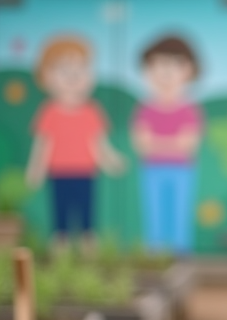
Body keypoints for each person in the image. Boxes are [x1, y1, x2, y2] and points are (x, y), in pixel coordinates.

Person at [26, 35, 125, 245]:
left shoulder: (92, 112)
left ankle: (89, 259)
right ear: (46, 76)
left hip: (86, 173)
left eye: (80, 69)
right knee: (60, 220)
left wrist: (111, 161)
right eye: (63, 70)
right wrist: (36, 169)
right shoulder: (49, 112)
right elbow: (44, 144)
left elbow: (98, 144)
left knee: (87, 220)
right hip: (58, 173)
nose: (73, 76)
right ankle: (60, 259)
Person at [132, 35, 203, 255]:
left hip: (181, 170)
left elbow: (188, 145)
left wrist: (157, 143)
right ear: (148, 70)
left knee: (179, 211)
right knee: (155, 211)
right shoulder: (145, 110)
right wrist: (172, 143)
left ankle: (181, 255)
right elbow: (142, 145)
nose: (166, 72)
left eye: (174, 64)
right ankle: (155, 254)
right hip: (152, 170)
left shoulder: (188, 111)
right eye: (159, 64)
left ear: (188, 70)